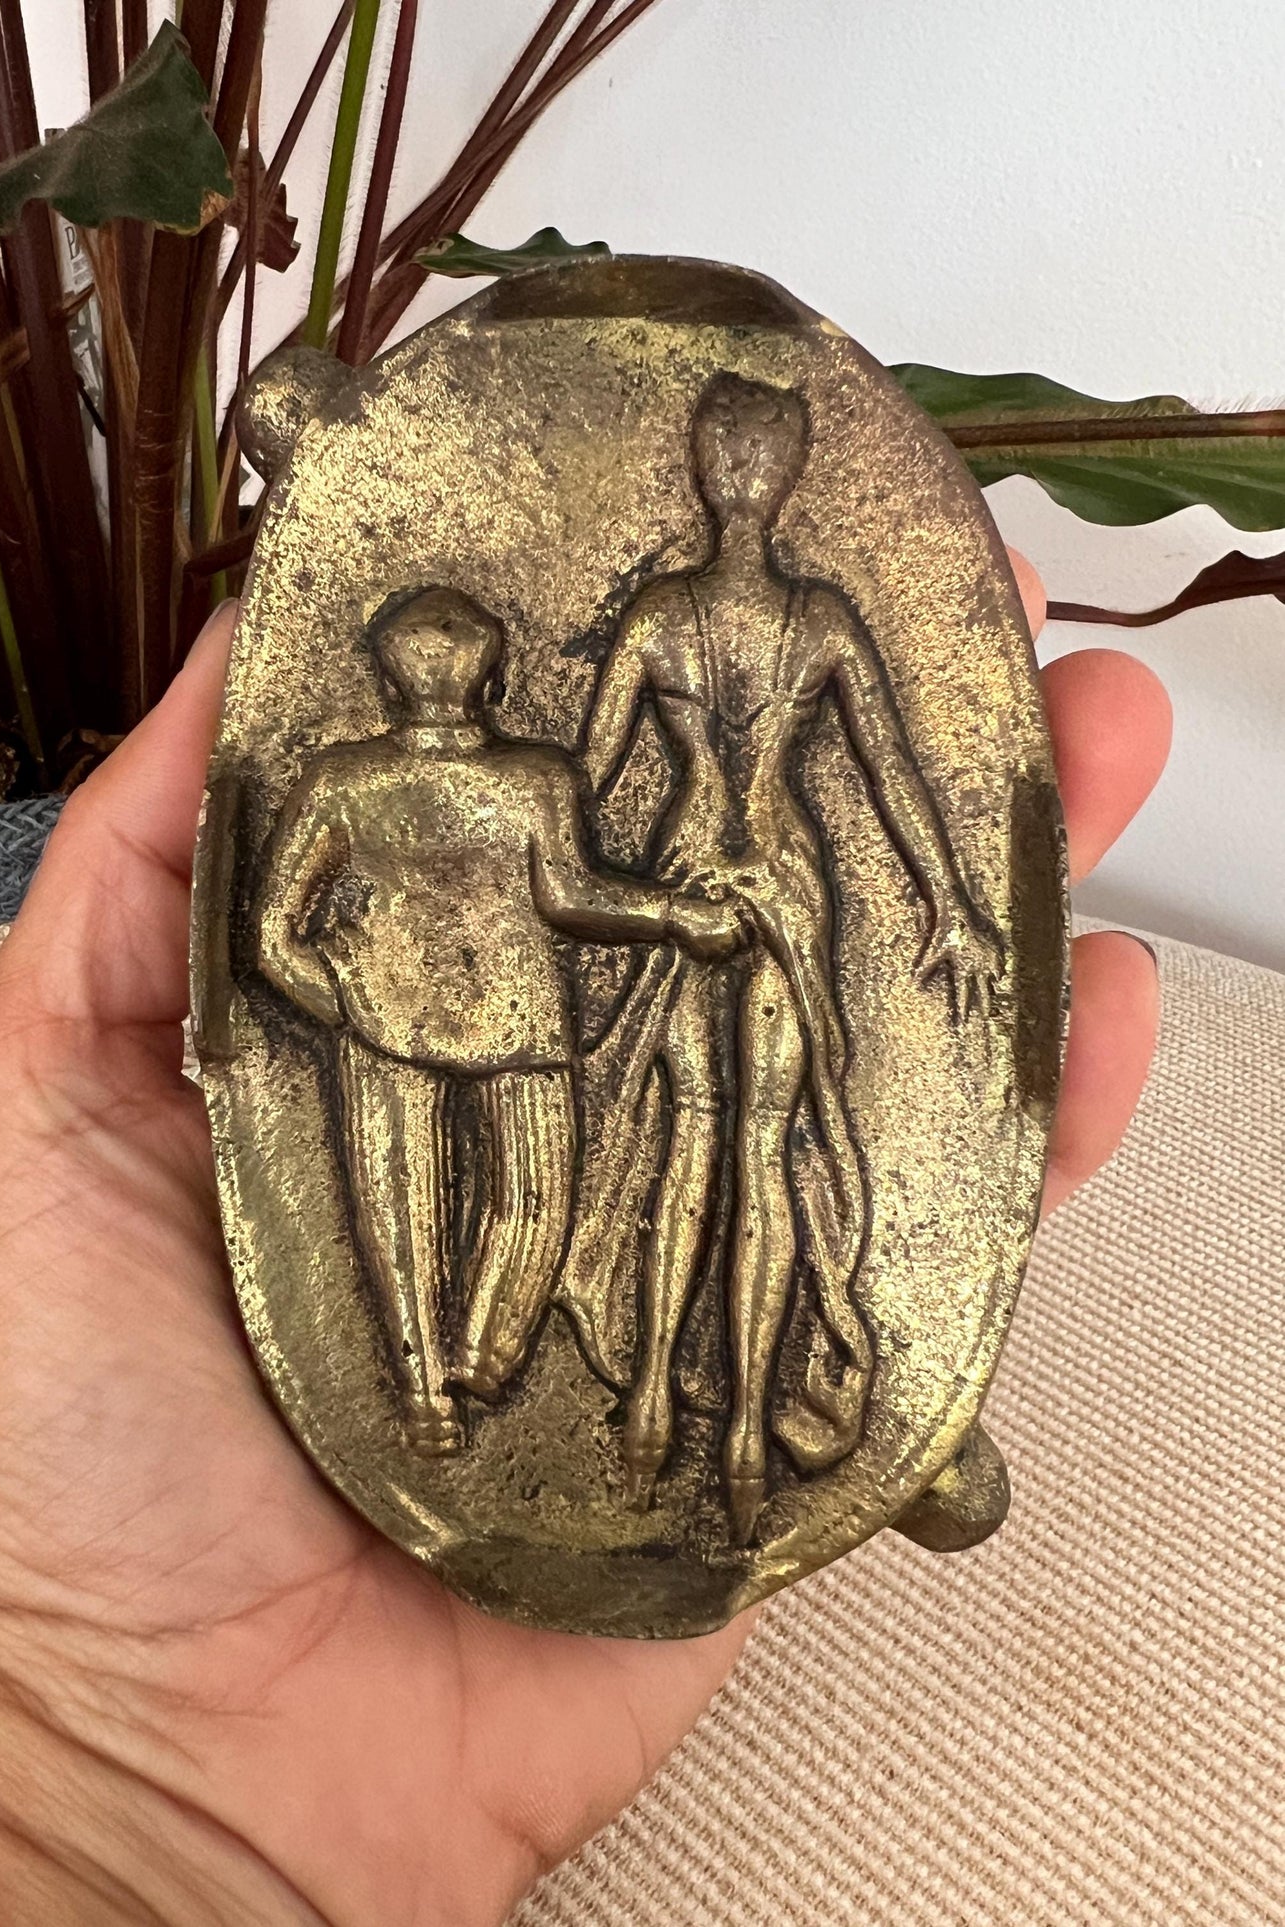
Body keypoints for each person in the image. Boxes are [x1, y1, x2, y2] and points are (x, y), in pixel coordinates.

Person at [0, 570, 1167, 1923]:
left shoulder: (469, 775)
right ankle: (434, 1371)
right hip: (445, 1022)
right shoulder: (387, 778)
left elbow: (495, 899)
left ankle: (457, 1359)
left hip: (463, 1024)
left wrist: (392, 977)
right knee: (460, 1213)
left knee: (480, 1214)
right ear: (462, 676)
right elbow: (374, 916)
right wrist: (353, 982)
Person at [570, 373, 1001, 1539]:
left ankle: (663, 1392)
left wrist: (953, 896)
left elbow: (583, 788)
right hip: (784, 883)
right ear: (778, 474)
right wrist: (946, 895)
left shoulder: (663, 615)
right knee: (748, 1146)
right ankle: (745, 1430)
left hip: (685, 875)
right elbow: (889, 772)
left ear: (714, 475)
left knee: (697, 1138)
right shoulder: (815, 620)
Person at [256, 585, 741, 1454]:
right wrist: (672, 913)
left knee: (398, 1207)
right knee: (531, 1198)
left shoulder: (344, 780)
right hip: (514, 1020)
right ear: (495, 679)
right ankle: (485, 1352)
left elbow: (271, 937)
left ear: (390, 680)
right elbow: (573, 896)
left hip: (394, 1015)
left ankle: (429, 1386)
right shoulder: (532, 777)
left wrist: (349, 1007)